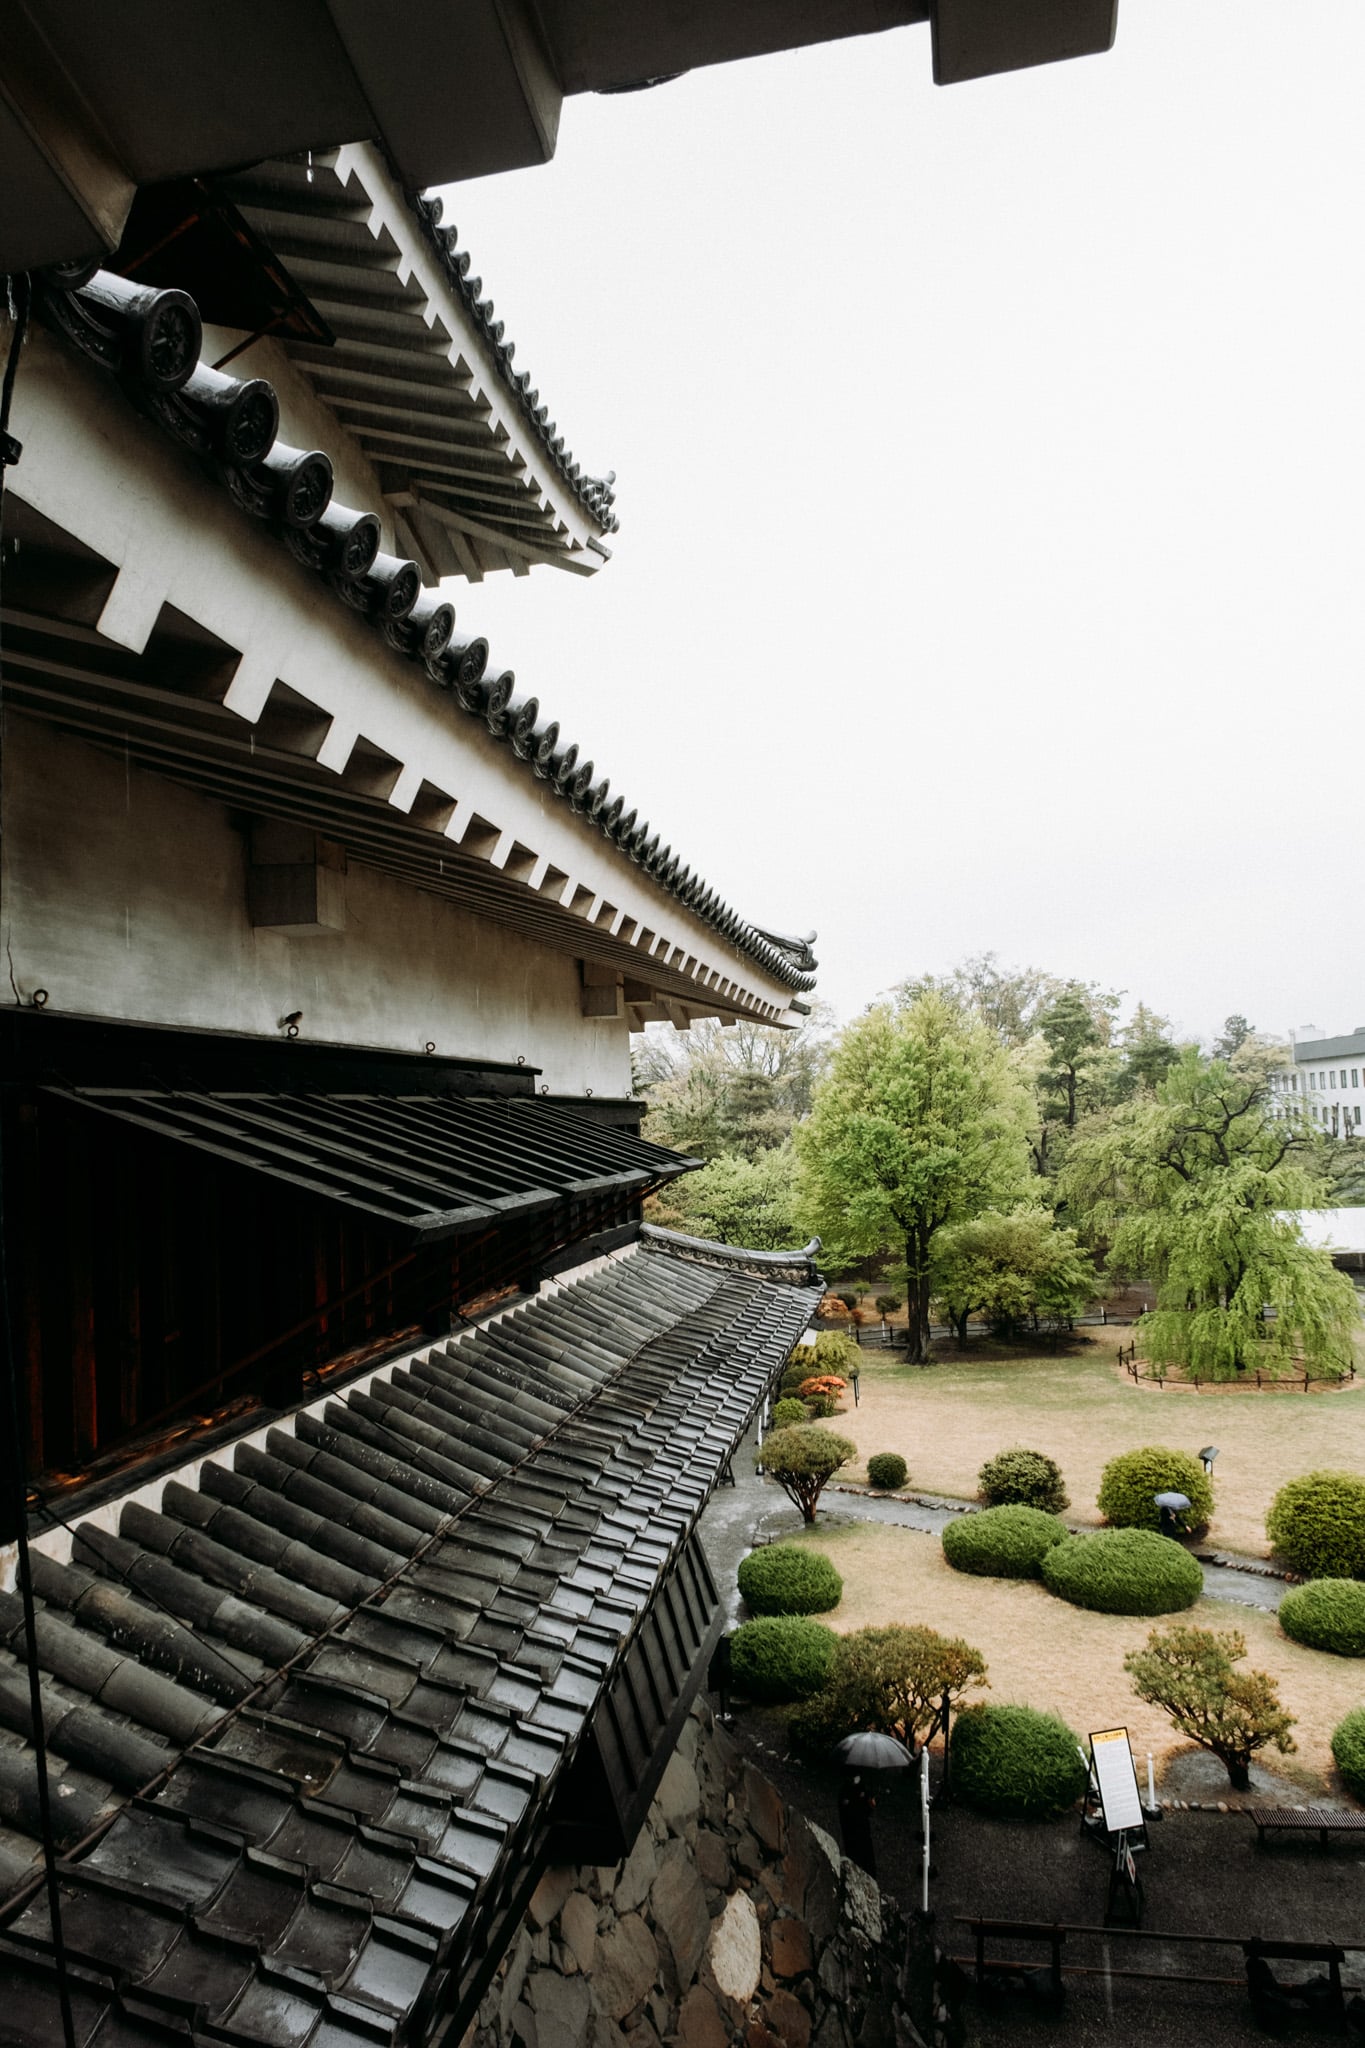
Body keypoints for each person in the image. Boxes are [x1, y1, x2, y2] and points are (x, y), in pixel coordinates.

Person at [838, 1772, 877, 1878]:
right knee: (857, 1856)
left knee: (865, 1857)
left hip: (861, 1828)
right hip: (853, 1829)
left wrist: (870, 1804)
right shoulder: (846, 1790)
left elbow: (868, 1809)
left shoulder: (861, 1788)